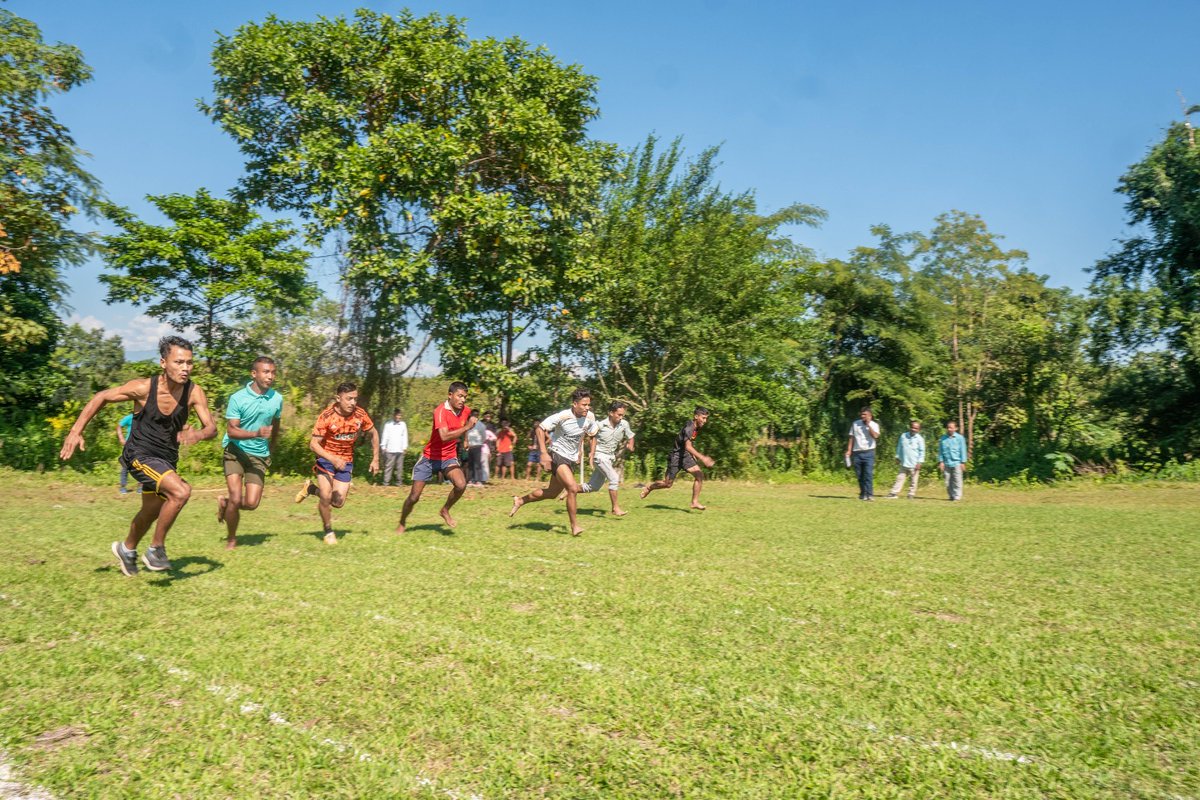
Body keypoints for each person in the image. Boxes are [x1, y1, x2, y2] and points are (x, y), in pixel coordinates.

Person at [59, 335, 217, 576]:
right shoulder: (144, 388)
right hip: (139, 455)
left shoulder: (194, 392)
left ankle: (127, 549)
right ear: (164, 362)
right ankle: (156, 549)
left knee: (151, 511)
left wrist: (198, 435)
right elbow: (101, 396)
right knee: (181, 491)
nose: (185, 368)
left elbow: (212, 428)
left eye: (189, 363)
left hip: (166, 460)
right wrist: (75, 431)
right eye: (179, 362)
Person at [294, 382, 379, 544]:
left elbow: (374, 433)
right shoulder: (327, 416)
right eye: (349, 399)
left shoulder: (360, 415)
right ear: (338, 398)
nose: (353, 403)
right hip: (326, 459)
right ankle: (328, 531)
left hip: (346, 461)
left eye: (355, 399)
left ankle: (311, 489)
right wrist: (332, 459)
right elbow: (313, 444)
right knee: (326, 496)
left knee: (338, 502)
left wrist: (375, 459)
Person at [509, 389, 599, 536]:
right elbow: (540, 429)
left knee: (551, 493)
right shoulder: (563, 416)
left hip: (570, 458)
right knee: (572, 488)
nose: (587, 407)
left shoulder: (590, 416)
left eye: (589, 404)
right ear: (575, 404)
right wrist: (544, 453)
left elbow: (591, 433)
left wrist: (586, 452)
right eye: (584, 405)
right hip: (557, 453)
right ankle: (575, 526)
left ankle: (520, 501)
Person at [217, 357, 283, 549]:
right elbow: (231, 431)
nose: (270, 376)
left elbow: (276, 423)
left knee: (252, 503)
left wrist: (273, 445)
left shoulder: (277, 398)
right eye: (265, 372)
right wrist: (256, 433)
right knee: (237, 497)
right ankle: (231, 539)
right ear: (254, 374)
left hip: (259, 455)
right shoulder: (238, 398)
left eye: (273, 372)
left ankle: (225, 503)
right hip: (235, 451)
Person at [395, 381, 476, 534]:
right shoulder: (440, 411)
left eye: (465, 397)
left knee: (461, 484)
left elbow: (465, 423)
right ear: (450, 395)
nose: (463, 400)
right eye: (459, 396)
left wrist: (466, 439)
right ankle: (402, 521)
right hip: (429, 458)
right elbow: (444, 436)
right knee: (414, 497)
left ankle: (445, 510)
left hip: (449, 457)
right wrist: (467, 428)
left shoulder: (465, 411)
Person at [639, 407, 714, 510]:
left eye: (706, 418)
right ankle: (649, 487)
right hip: (676, 456)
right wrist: (703, 458)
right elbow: (688, 446)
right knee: (667, 484)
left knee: (699, 475)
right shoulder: (689, 428)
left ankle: (694, 502)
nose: (705, 421)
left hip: (685, 455)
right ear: (696, 417)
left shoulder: (696, 426)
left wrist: (692, 455)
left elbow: (687, 443)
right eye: (703, 418)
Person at [586, 401, 636, 516]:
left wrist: (631, 445)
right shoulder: (600, 425)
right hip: (599, 456)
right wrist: (591, 453)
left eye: (623, 415)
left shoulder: (624, 424)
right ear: (611, 413)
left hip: (609, 458)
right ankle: (615, 508)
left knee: (593, 487)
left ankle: (570, 490)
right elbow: (590, 436)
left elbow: (631, 436)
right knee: (614, 478)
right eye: (619, 414)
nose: (621, 417)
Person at [845, 407, 881, 501]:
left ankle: (870, 494)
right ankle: (863, 493)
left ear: (870, 415)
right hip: (857, 452)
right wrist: (849, 450)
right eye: (861, 414)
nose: (862, 416)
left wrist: (868, 425)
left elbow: (875, 436)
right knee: (860, 475)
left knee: (868, 474)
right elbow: (851, 438)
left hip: (869, 452)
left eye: (864, 415)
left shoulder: (874, 425)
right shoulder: (855, 424)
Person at [886, 420, 925, 499]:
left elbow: (922, 451)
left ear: (918, 430)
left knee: (914, 481)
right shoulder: (903, 436)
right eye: (912, 427)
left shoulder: (920, 439)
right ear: (909, 427)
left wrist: (920, 462)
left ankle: (911, 494)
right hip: (904, 462)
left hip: (914, 464)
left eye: (916, 428)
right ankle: (894, 493)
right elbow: (899, 447)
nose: (913, 429)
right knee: (899, 478)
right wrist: (897, 457)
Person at [938, 420, 969, 501]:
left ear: (956, 428)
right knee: (947, 481)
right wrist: (941, 462)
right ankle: (951, 496)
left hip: (957, 463)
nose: (949, 429)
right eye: (948, 427)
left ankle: (957, 496)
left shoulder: (960, 438)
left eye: (951, 428)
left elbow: (963, 450)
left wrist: (963, 462)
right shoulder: (943, 439)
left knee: (957, 480)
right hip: (946, 463)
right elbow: (940, 451)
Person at [380, 409, 409, 487]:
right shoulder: (388, 424)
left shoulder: (403, 424)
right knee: (388, 467)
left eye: (399, 415)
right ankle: (386, 483)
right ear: (394, 415)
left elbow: (405, 436)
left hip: (400, 449)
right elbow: (385, 436)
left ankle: (399, 483)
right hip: (390, 449)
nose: (398, 417)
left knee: (400, 467)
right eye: (397, 415)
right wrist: (383, 446)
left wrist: (405, 447)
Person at [115, 412, 140, 494]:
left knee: (141, 466)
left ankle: (141, 487)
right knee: (126, 466)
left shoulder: (145, 419)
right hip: (129, 446)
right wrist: (121, 438)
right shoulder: (130, 417)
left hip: (141, 446)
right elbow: (119, 426)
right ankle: (123, 487)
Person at [465, 411, 487, 487]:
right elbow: (466, 434)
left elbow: (484, 436)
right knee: (470, 464)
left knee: (478, 464)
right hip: (470, 447)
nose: (474, 416)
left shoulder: (481, 425)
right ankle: (471, 480)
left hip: (477, 446)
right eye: (473, 415)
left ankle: (479, 481)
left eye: (476, 415)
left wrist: (480, 442)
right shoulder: (468, 424)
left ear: (478, 416)